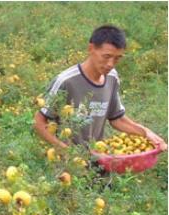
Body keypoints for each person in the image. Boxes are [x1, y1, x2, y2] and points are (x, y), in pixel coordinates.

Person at [34, 25, 167, 151]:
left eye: (117, 58)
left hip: (98, 160)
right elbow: (39, 121)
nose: (110, 64)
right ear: (91, 49)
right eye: (106, 56)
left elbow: (117, 119)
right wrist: (66, 152)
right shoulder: (66, 81)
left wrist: (146, 133)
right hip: (67, 167)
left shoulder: (112, 77)